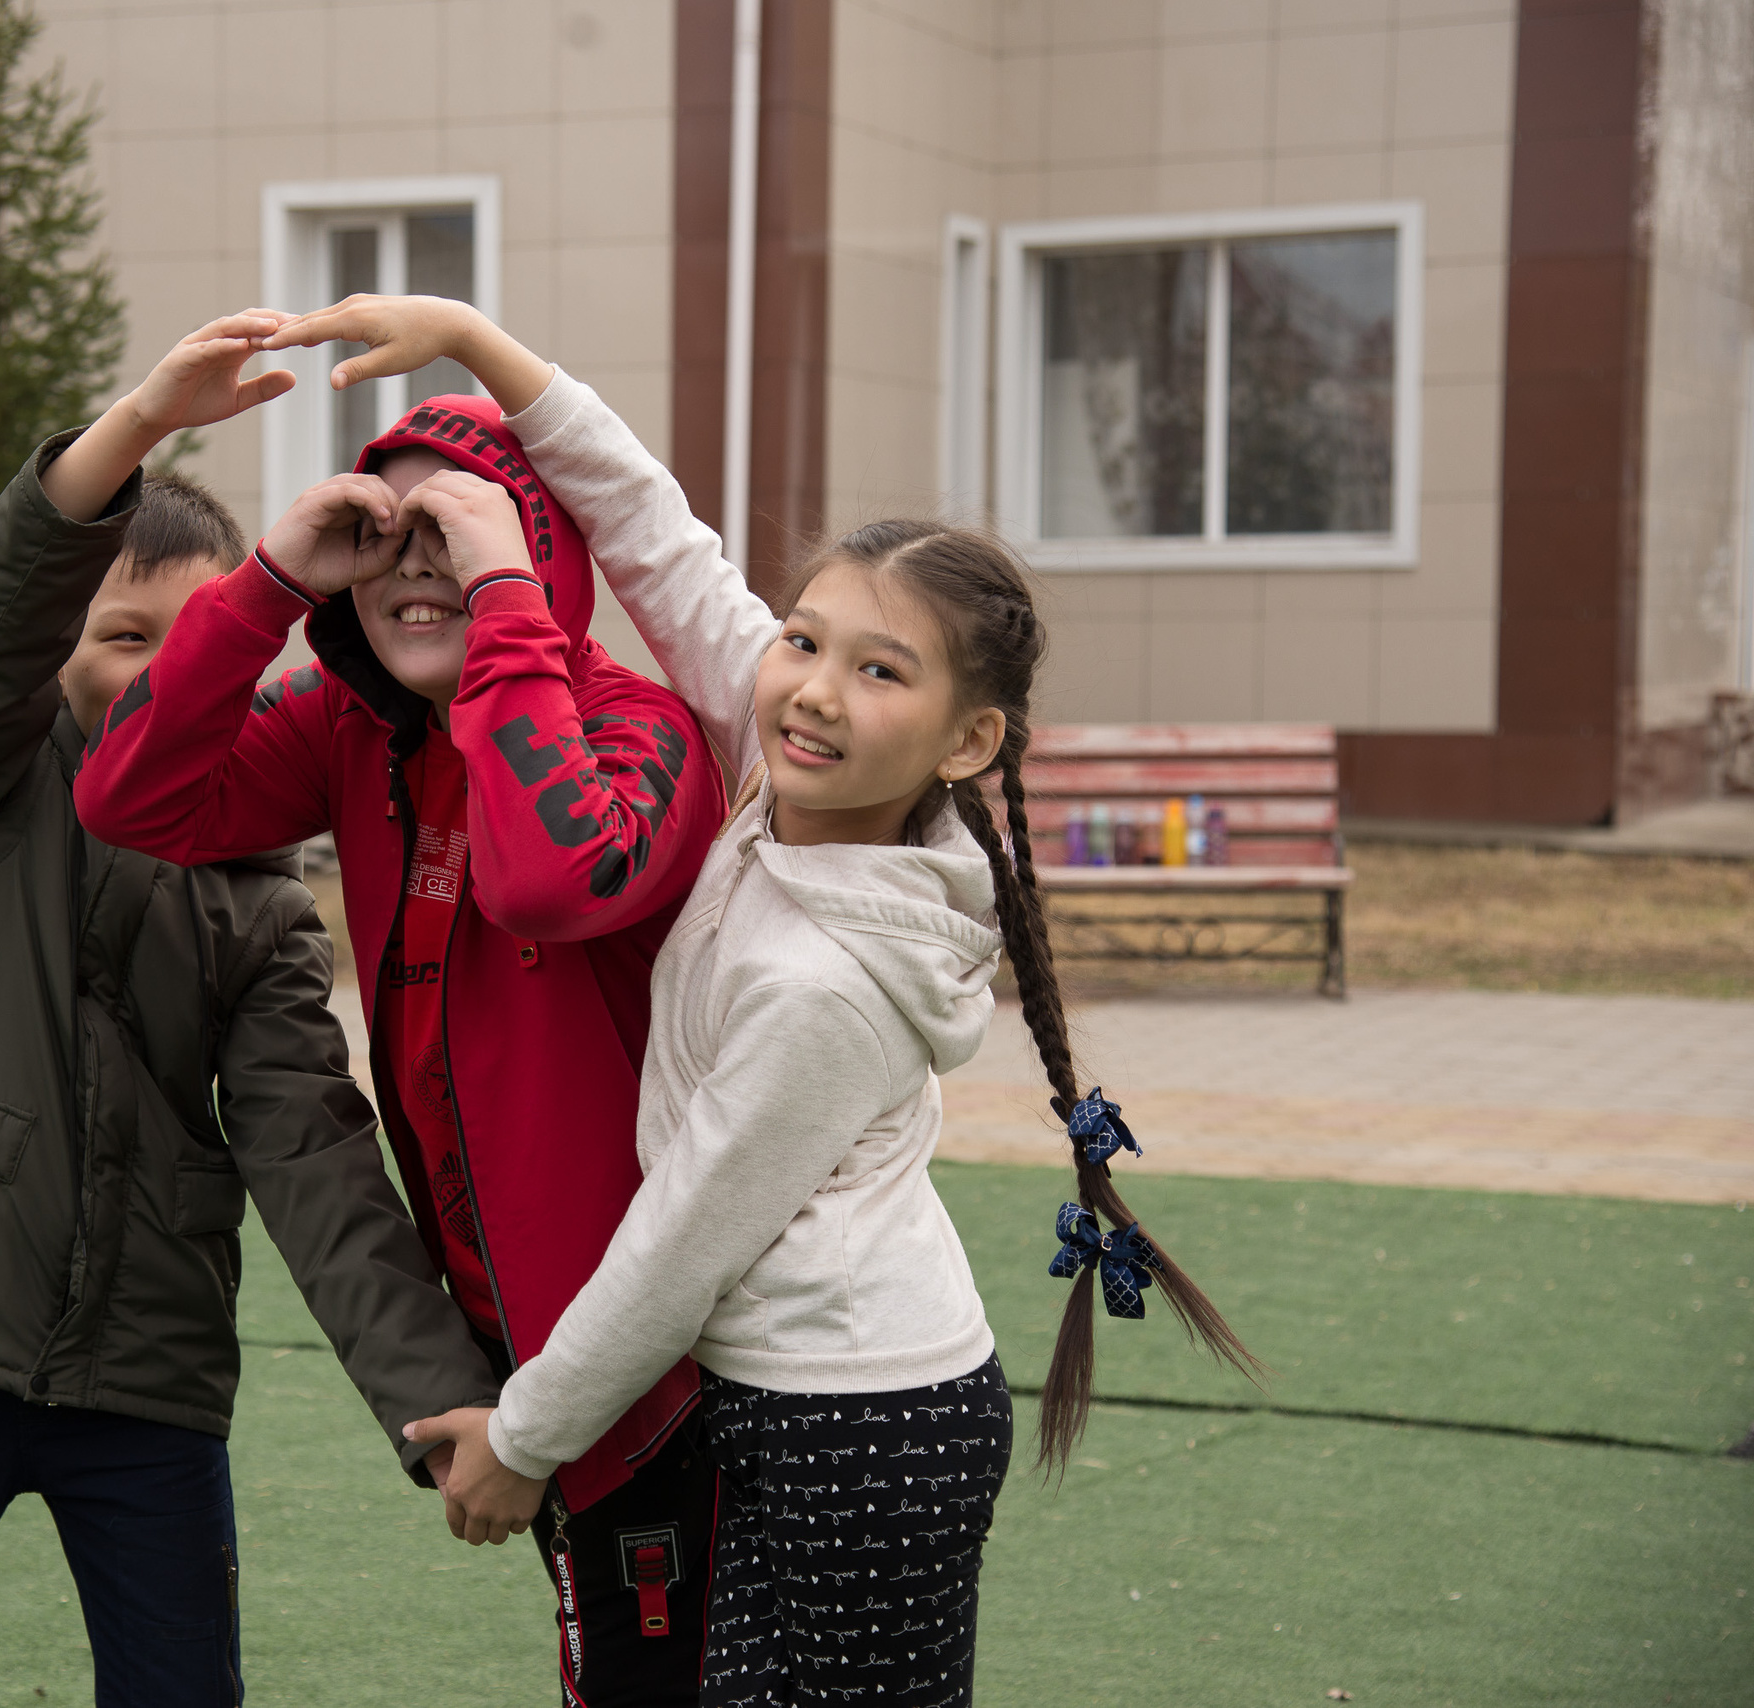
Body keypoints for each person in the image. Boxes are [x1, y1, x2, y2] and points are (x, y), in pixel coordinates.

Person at [262, 296, 1258, 1707]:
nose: (815, 690)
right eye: (802, 641)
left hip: (858, 1426)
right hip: (804, 1402)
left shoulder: (827, 982)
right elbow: (657, 538)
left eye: (881, 671)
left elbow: (683, 1236)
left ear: (969, 739)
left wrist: (530, 1438)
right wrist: (485, 351)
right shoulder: (786, 777)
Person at [0, 313, 500, 1708]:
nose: (159, 669)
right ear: (57, 644)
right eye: (119, 633)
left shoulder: (261, 892)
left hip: (146, 1383)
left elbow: (315, 1152)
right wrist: (139, 426)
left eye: (199, 639)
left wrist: (437, 1392)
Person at [70, 362, 731, 1706]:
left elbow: (549, 876)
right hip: (526, 1363)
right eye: (390, 538)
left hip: (668, 1378)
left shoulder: (640, 731)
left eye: (464, 535)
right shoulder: (355, 732)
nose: (415, 571)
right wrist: (269, 583)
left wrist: (504, 615)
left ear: (539, 555)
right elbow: (131, 796)